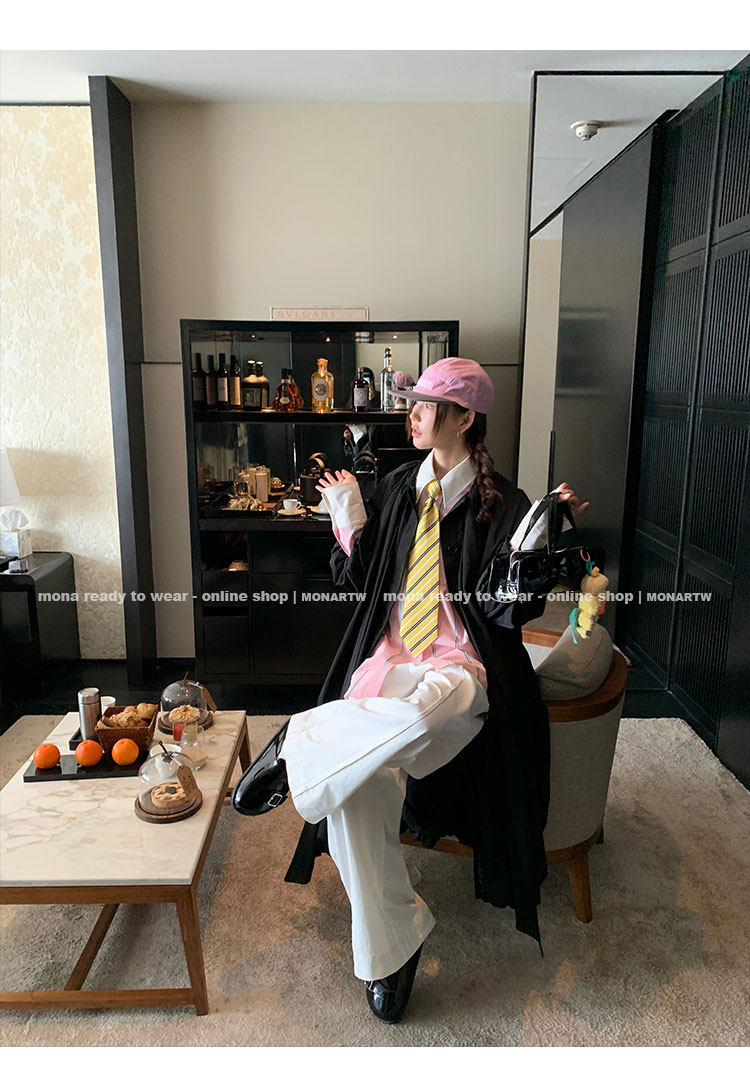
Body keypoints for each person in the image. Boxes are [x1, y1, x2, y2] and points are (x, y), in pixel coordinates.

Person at [233, 357, 589, 1024]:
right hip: (391, 657)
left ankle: (300, 741)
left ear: (466, 417)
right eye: (414, 403)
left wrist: (541, 540)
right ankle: (392, 947)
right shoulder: (399, 485)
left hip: (462, 667)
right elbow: (361, 581)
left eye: (427, 405)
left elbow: (507, 611)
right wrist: (349, 517)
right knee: (355, 787)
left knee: (432, 706)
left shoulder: (504, 503)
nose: (414, 415)